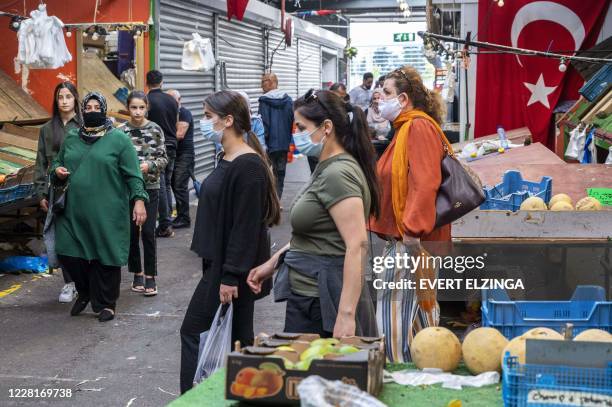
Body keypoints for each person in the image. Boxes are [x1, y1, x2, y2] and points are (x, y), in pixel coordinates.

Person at [247, 89, 379, 339]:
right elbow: (316, 236)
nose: (295, 135)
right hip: (309, 297)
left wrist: (346, 315)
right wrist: (273, 262)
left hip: (321, 303)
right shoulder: (326, 167)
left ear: (326, 127)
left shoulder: (338, 174)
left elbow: (357, 245)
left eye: (300, 127)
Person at [180, 90, 280, 394]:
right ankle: (234, 394)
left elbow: (246, 227)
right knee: (239, 340)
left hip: (230, 269)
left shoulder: (247, 165)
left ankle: (193, 398)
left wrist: (229, 275)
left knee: (194, 332)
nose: (204, 122)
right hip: (221, 263)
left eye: (208, 116)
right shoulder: (227, 156)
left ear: (228, 120)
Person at [367, 65, 451, 363]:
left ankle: (396, 373)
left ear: (403, 99)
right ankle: (426, 370)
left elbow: (425, 181)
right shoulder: (406, 128)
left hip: (411, 241)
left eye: (387, 93)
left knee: (395, 317)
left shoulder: (417, 127)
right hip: (410, 240)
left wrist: (413, 231)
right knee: (417, 316)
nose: (380, 98)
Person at [51, 92, 148, 322]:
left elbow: (134, 175)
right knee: (68, 252)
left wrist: (139, 200)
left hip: (108, 212)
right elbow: (57, 162)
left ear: (103, 110)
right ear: (82, 110)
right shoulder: (72, 137)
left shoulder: (119, 140)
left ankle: (106, 303)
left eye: (97, 107)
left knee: (106, 255)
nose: (93, 110)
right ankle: (84, 292)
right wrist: (57, 171)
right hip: (74, 211)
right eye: (89, 107)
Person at [34, 82, 82, 304]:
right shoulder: (46, 130)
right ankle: (69, 283)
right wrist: (41, 193)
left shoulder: (83, 126)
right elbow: (41, 163)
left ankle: (85, 281)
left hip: (82, 190)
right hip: (57, 192)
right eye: (60, 96)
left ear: (75, 99)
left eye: (68, 96)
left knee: (83, 235)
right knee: (62, 239)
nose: (64, 101)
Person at [123, 91, 168, 296]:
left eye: (141, 107)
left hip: (151, 187)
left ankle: (151, 276)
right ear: (128, 108)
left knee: (149, 233)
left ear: (147, 107)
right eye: (134, 107)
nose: (138, 112)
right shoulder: (121, 132)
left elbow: (164, 159)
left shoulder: (156, 129)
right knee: (132, 233)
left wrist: (148, 165)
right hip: (128, 190)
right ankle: (137, 272)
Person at [146, 70, 178, 238]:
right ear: (162, 82)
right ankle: (166, 222)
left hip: (156, 147)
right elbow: (176, 122)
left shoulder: (148, 101)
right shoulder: (172, 100)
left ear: (147, 83)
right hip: (172, 145)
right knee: (166, 184)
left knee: (160, 184)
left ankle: (165, 223)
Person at [258, 72, 294, 199]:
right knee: (280, 172)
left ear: (273, 82)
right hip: (283, 144)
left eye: (264, 81)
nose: (261, 85)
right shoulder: (288, 100)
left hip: (269, 144)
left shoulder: (264, 101)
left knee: (265, 173)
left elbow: (264, 124)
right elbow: (291, 121)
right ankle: (277, 200)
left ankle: (268, 202)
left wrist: (262, 143)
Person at [166, 89, 195, 229]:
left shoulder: (184, 113)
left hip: (185, 155)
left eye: (173, 100)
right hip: (174, 154)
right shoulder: (170, 114)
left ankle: (184, 218)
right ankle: (179, 215)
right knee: (173, 184)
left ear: (179, 100)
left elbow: (180, 134)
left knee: (179, 185)